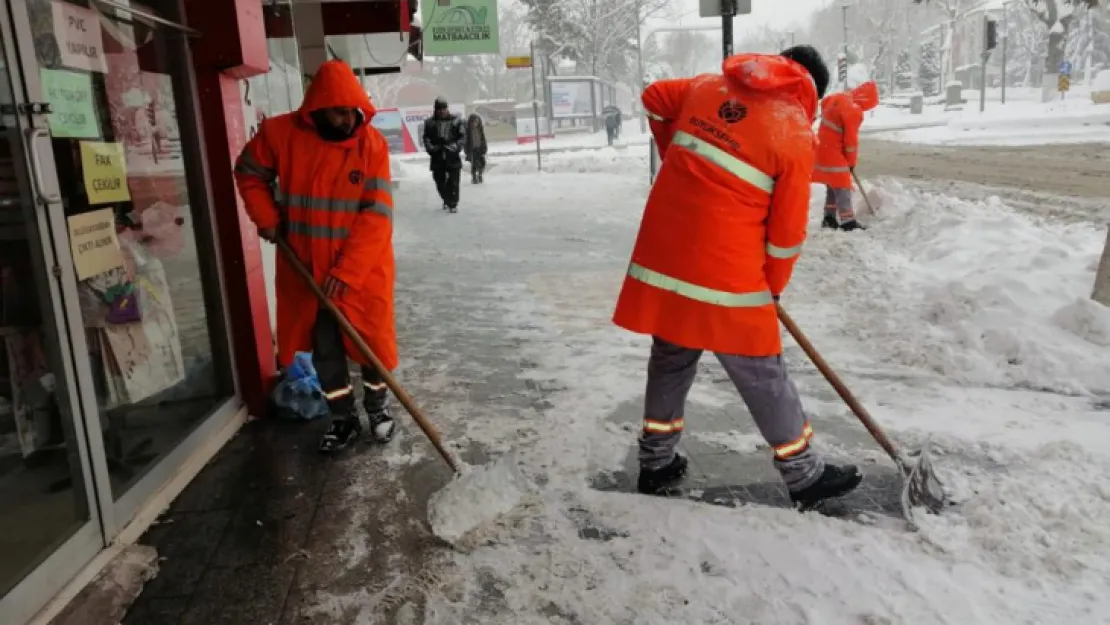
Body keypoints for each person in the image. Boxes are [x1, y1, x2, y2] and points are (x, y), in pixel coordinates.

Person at [612, 46, 863, 510]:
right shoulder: (791, 129)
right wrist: (772, 286)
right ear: (810, 90)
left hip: (666, 254)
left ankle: (656, 461)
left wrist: (677, 157)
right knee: (762, 370)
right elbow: (786, 236)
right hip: (725, 269)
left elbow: (654, 98)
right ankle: (803, 474)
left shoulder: (707, 87)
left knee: (671, 356)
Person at [233, 60, 397, 454]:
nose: (348, 120)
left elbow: (377, 215)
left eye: (353, 111)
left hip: (361, 273)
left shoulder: (371, 145)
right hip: (306, 271)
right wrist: (267, 217)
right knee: (326, 351)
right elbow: (248, 172)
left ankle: (378, 409)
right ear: (318, 107)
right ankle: (343, 419)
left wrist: (349, 270)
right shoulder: (280, 134)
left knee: (371, 345)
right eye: (340, 111)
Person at [814, 78, 879, 231]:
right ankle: (848, 221)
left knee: (832, 183)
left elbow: (825, 106)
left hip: (821, 148)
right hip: (833, 152)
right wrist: (850, 162)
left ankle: (829, 218)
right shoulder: (853, 109)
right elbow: (851, 142)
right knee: (843, 185)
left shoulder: (839, 99)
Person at [423, 97, 466, 212]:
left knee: (454, 181)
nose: (442, 111)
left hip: (452, 155)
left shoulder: (456, 121)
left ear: (447, 109)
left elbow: (462, 136)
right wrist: (432, 148)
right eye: (439, 109)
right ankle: (446, 199)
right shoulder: (430, 123)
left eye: (444, 108)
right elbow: (426, 138)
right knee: (439, 182)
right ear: (435, 110)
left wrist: (456, 147)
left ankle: (453, 203)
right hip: (437, 155)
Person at [464, 113, 488, 184]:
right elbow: (466, 141)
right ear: (470, 122)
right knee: (474, 164)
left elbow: (483, 139)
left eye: (477, 121)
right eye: (474, 121)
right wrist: (467, 151)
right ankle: (474, 177)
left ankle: (480, 175)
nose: (475, 123)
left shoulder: (480, 129)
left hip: (480, 148)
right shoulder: (468, 131)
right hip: (472, 149)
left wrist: (484, 147)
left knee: (482, 162)